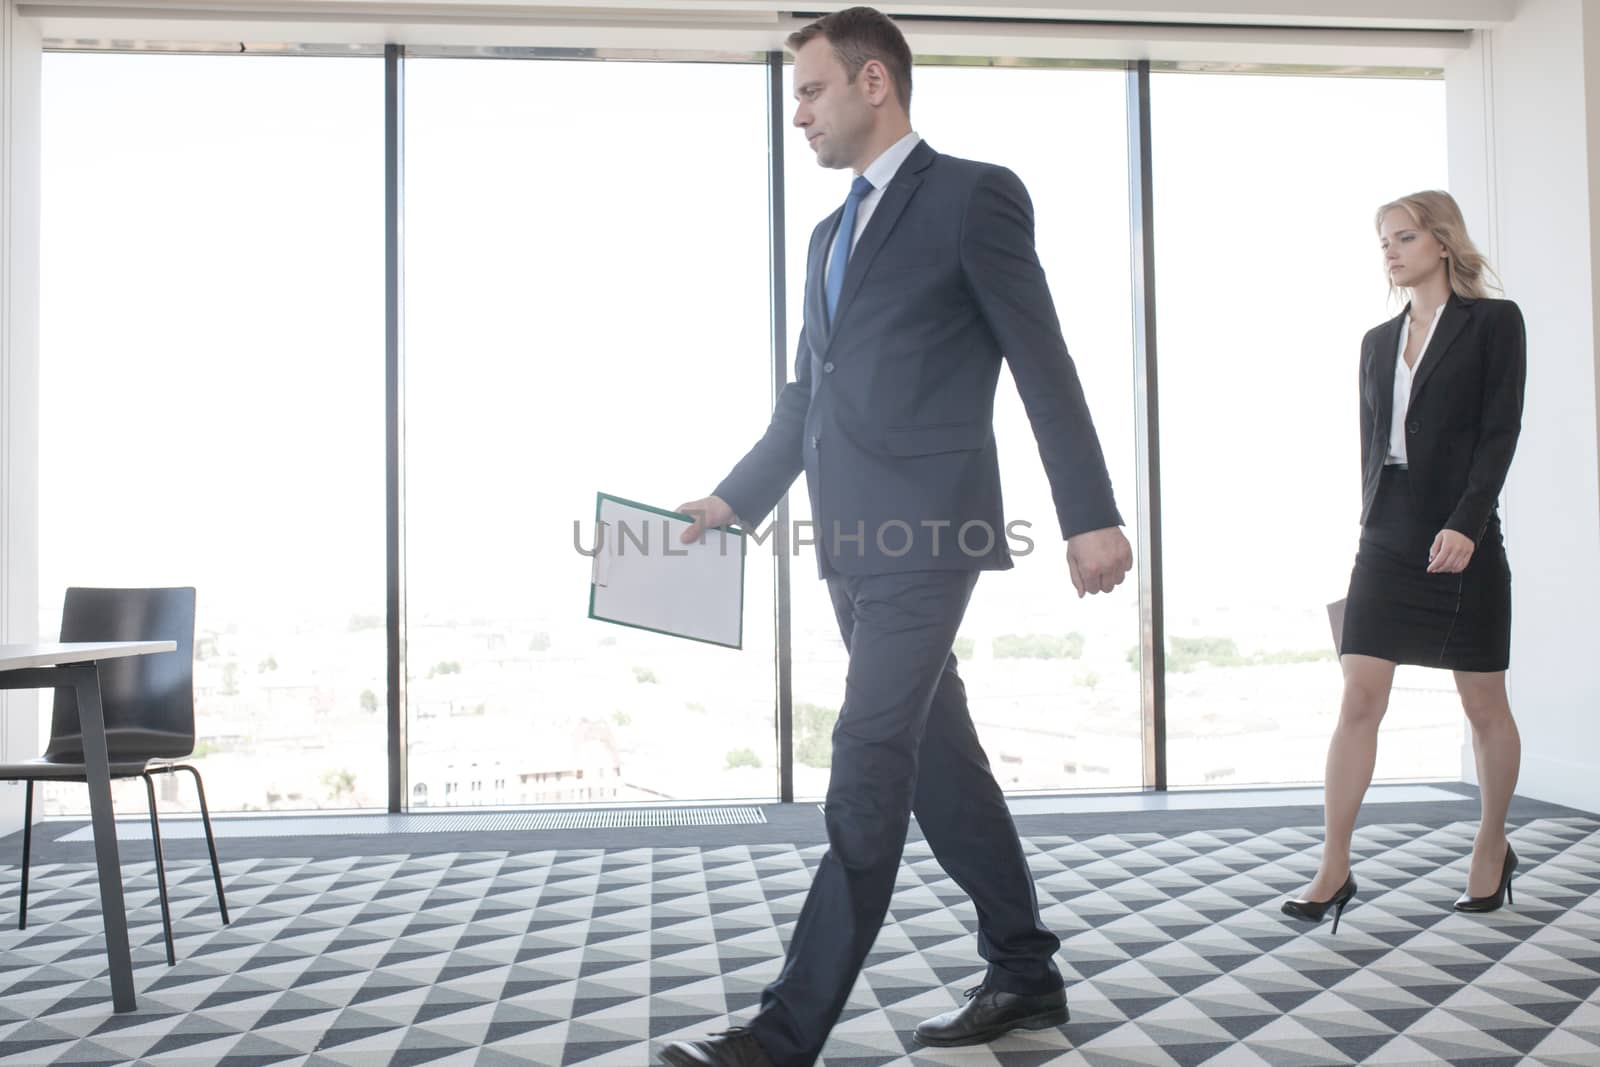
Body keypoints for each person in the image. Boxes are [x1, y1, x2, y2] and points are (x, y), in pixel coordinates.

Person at [660, 8, 1132, 1066]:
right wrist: (730, 503)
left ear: (875, 82)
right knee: (937, 766)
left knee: (865, 762)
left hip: (932, 534)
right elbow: (801, 404)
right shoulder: (829, 236)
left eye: (811, 90)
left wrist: (1089, 512)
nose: (798, 114)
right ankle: (1024, 969)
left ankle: (785, 1032)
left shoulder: (973, 196)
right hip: (849, 546)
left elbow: (1039, 358)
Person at [1283, 190, 1526, 935]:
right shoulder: (1375, 340)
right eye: (1383, 241)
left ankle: (1492, 844)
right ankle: (1334, 864)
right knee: (1360, 694)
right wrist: (1371, 520)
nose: (1390, 251)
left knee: (1482, 703)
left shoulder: (1494, 323)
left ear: (1442, 242)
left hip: (1463, 534)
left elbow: (1499, 430)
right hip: (1388, 535)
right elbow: (1374, 439)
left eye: (1404, 237)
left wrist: (1469, 523)